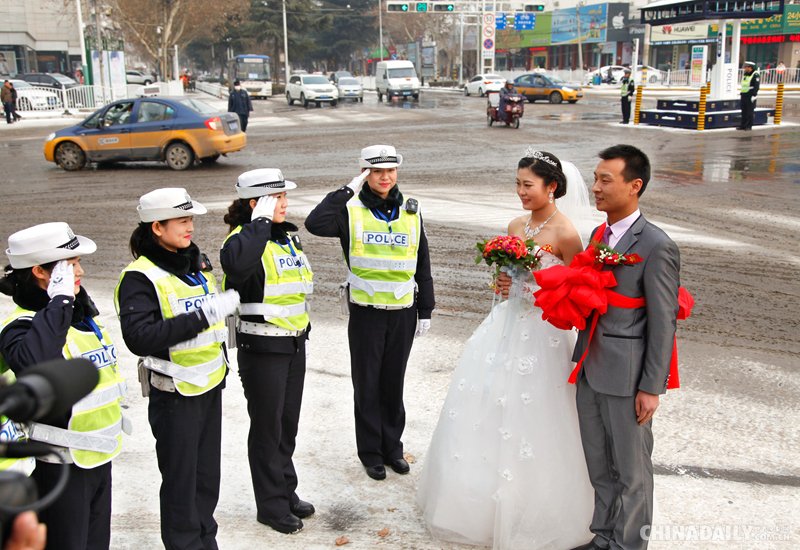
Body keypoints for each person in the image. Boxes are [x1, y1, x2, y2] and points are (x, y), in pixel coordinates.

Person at [417, 149, 594, 549]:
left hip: (544, 332)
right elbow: (508, 277)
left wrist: (538, 289)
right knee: (488, 406)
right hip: (506, 324)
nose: (520, 192)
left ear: (552, 187)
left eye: (527, 185)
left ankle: (539, 511)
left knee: (539, 417)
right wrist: (505, 283)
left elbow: (575, 287)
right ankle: (476, 505)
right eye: (517, 184)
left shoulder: (566, 233)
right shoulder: (515, 224)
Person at [114, 188, 240, 550]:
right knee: (182, 485)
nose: (190, 227)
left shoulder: (193, 263)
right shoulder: (140, 277)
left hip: (209, 386)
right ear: (157, 227)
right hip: (175, 397)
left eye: (191, 220)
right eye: (182, 221)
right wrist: (203, 315)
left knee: (205, 480)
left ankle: (206, 541)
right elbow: (140, 337)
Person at [570, 145, 680, 550]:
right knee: (599, 464)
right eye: (595, 178)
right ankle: (604, 536)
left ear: (634, 186)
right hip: (589, 369)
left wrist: (652, 386)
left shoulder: (656, 245)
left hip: (628, 377)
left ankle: (629, 544)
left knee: (632, 472)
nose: (595, 187)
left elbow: (663, 321)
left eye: (605, 180)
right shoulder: (599, 235)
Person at [305, 145, 435, 481]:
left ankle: (393, 448)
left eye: (390, 171)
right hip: (366, 313)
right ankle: (371, 452)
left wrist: (426, 309)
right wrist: (347, 190)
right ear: (365, 173)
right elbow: (313, 223)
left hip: (402, 311)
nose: (385, 177)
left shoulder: (411, 210)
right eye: (377, 172)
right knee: (367, 385)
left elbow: (422, 262)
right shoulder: (349, 210)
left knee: (393, 384)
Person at [0, 222, 127, 550]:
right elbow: (36, 363)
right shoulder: (18, 327)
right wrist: (57, 301)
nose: (80, 271)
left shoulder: (80, 315)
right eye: (70, 265)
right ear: (40, 271)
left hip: (97, 455)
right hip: (58, 466)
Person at [219, 169, 314, 535]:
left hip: (292, 343)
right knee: (267, 427)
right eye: (278, 199)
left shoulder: (286, 239)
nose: (286, 204)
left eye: (285, 197)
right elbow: (239, 267)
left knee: (286, 426)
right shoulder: (240, 240)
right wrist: (258, 222)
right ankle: (270, 505)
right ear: (255, 204)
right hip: (261, 347)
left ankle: (285, 491)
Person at [738, 61, 760, 131]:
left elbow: (756, 86)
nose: (745, 68)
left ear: (750, 67)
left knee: (749, 111)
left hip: (750, 95)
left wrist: (754, 95)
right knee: (743, 111)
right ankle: (743, 125)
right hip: (744, 94)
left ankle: (749, 126)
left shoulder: (755, 74)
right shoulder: (746, 74)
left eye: (746, 67)